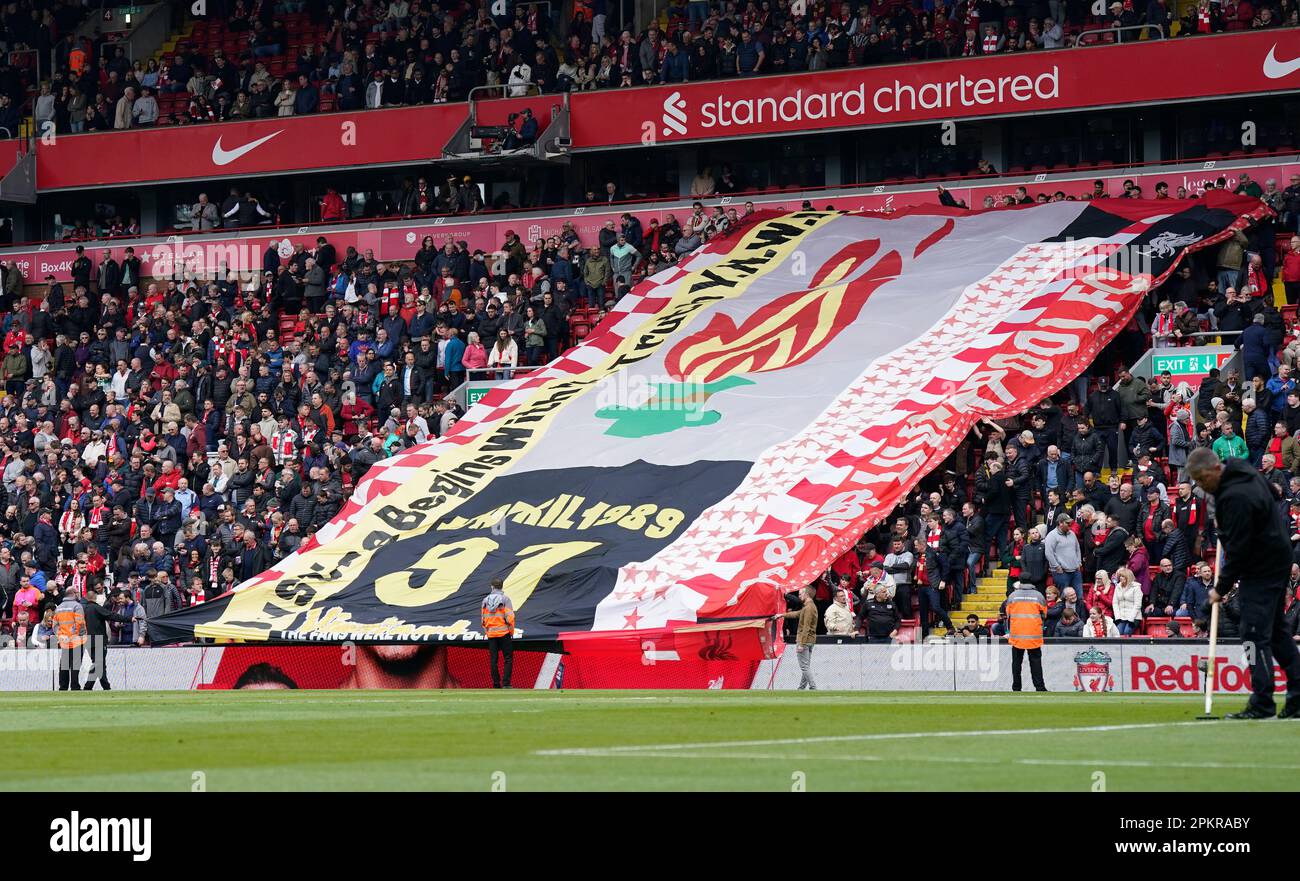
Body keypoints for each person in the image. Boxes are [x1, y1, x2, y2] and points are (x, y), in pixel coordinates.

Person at [1186, 447, 1300, 718]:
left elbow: (1238, 551)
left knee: (1251, 633)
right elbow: (1273, 493)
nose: (1202, 487)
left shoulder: (1235, 497)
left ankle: (1262, 702)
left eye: (1203, 480)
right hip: (1275, 558)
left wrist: (1220, 589)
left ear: (1215, 469)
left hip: (1261, 567)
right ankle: (1297, 697)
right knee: (1275, 632)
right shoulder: (1241, 468)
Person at [80, 584, 133, 690]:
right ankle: (89, 687)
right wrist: (129, 619)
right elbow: (112, 616)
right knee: (98, 664)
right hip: (99, 639)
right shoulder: (97, 608)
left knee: (99, 664)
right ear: (95, 598)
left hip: (87, 640)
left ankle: (105, 686)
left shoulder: (83, 609)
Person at [1005, 580, 1048, 692]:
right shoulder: (1038, 596)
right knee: (1036, 663)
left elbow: (1008, 614)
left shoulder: (1012, 596)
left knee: (1016, 663)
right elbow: (1044, 614)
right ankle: (1040, 687)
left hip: (1017, 635)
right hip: (1033, 635)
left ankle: (1016, 687)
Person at [779, 586, 818, 690]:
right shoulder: (808, 607)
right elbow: (797, 614)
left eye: (800, 593)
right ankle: (801, 688)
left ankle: (813, 687)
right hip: (809, 640)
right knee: (806, 667)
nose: (799, 596)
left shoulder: (808, 608)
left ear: (807, 594)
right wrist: (782, 615)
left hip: (804, 640)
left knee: (804, 667)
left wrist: (801, 643)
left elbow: (806, 627)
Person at [481, 578, 515, 689]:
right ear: (502, 586)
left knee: (493, 660)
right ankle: (506, 683)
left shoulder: (485, 600)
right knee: (508, 658)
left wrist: (487, 632)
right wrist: (511, 632)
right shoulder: (505, 599)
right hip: (504, 632)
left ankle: (496, 684)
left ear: (492, 586)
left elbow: (483, 620)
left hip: (491, 634)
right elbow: (510, 618)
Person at [54, 587, 88, 691]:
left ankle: (63, 687)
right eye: (77, 592)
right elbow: (79, 623)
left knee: (64, 665)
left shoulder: (58, 607)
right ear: (73, 594)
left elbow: (55, 626)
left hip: (64, 641)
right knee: (75, 665)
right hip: (76, 639)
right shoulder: (77, 606)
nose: (79, 594)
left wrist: (60, 636)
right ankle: (75, 686)